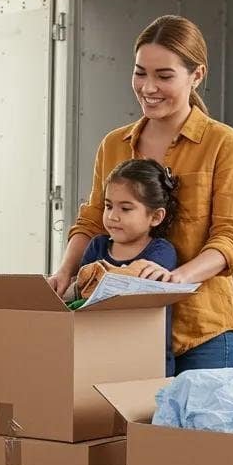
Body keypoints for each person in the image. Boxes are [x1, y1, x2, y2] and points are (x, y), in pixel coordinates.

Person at [49, 14, 233, 373]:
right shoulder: (114, 144)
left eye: (164, 76)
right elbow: (92, 220)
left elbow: (230, 240)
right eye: (140, 72)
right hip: (125, 329)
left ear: (197, 76)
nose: (148, 87)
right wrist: (64, 273)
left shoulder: (224, 144)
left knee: (197, 430)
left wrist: (173, 281)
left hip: (200, 333)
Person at [76, 158, 179, 371]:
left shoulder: (162, 251)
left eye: (126, 208)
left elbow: (138, 283)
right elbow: (80, 292)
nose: (113, 216)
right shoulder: (97, 246)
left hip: (147, 360)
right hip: (98, 356)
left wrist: (102, 277)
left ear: (156, 216)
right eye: (108, 206)